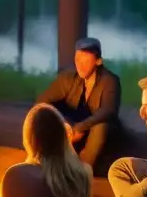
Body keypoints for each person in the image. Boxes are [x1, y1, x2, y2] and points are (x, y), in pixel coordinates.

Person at [36, 37, 128, 176]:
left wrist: (80, 127)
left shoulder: (110, 81)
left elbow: (108, 111)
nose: (81, 65)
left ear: (98, 61)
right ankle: (46, 160)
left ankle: (80, 172)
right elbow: (43, 100)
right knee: (44, 112)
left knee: (100, 125)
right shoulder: (69, 78)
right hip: (73, 128)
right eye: (78, 60)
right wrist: (65, 124)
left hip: (98, 132)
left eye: (86, 61)